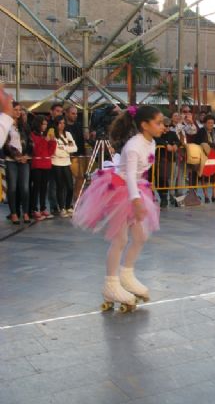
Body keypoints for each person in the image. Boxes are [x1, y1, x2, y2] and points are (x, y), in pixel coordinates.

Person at [72, 105, 163, 311]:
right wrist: (136, 200)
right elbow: (130, 175)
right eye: (158, 122)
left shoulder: (152, 142)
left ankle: (127, 274)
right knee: (120, 239)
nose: (162, 126)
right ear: (144, 125)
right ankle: (111, 283)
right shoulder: (133, 146)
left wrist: (143, 193)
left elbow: (140, 174)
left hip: (136, 188)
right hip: (120, 190)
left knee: (140, 236)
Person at [4, 101, 32, 224]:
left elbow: (30, 143)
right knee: (13, 188)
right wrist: (15, 156)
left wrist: (27, 155)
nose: (18, 112)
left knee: (25, 187)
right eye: (16, 109)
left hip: (24, 160)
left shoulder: (24, 126)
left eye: (20, 110)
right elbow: (5, 144)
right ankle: (14, 213)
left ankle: (25, 213)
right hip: (11, 160)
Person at [30, 115, 57, 220]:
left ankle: (43, 207)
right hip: (37, 163)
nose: (45, 126)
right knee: (36, 187)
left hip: (46, 163)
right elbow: (37, 150)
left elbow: (49, 152)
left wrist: (52, 142)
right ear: (38, 124)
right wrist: (45, 140)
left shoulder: (44, 135)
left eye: (46, 124)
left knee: (43, 188)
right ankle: (34, 208)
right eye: (43, 124)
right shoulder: (33, 135)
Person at [51, 116, 78, 217]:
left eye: (63, 123)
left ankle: (68, 206)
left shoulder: (68, 134)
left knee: (70, 186)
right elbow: (56, 151)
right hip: (56, 162)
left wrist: (64, 148)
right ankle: (62, 207)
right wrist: (66, 150)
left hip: (67, 162)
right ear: (56, 124)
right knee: (60, 186)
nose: (62, 125)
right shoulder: (53, 135)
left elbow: (75, 148)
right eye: (60, 123)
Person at [194, 114, 215, 203]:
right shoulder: (201, 131)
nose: (211, 124)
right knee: (205, 176)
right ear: (205, 123)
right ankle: (206, 196)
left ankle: (214, 196)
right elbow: (203, 142)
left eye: (212, 122)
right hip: (205, 156)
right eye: (209, 122)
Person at [154, 116, 181, 209]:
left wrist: (176, 145)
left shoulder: (172, 133)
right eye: (165, 125)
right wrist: (166, 144)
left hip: (170, 159)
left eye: (169, 126)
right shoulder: (157, 133)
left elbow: (178, 141)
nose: (167, 128)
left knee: (171, 179)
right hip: (159, 159)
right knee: (161, 179)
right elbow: (157, 140)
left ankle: (171, 197)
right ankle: (163, 198)